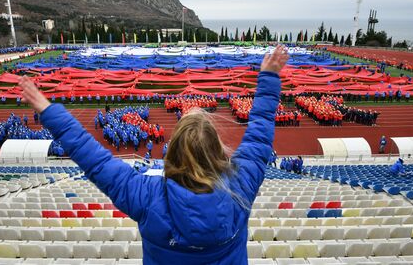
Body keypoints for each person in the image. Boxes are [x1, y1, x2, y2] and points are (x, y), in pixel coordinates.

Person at [18, 45, 288, 264]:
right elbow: (260, 131)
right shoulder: (241, 187)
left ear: (174, 151)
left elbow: (92, 157)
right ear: (217, 151)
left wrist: (47, 109)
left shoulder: (146, 195)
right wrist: (269, 78)